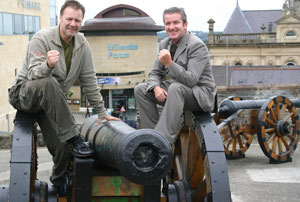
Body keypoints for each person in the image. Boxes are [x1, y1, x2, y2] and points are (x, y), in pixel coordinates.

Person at [8, 0, 119, 188]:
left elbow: (89, 80)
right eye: (69, 19)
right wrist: (48, 65)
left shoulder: (82, 44)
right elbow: (34, 73)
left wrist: (102, 112)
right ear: (60, 18)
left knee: (62, 148)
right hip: (25, 94)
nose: (73, 24)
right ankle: (74, 137)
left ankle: (59, 181)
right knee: (49, 83)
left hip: (50, 102)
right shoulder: (42, 38)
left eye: (77, 20)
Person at [134, 7, 217, 144]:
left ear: (185, 25)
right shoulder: (164, 44)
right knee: (141, 90)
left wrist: (170, 64)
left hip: (200, 94)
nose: (171, 27)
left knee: (176, 88)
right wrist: (155, 87)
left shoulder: (197, 46)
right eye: (168, 24)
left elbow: (191, 80)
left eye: (176, 23)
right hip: (178, 90)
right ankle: (151, 136)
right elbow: (155, 73)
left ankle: (163, 140)